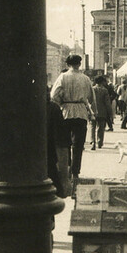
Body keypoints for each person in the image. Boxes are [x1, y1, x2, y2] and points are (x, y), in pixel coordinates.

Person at [50, 54, 95, 189]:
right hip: (81, 112)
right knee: (78, 144)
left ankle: (67, 170)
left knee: (65, 144)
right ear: (79, 64)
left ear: (67, 64)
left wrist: (62, 103)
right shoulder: (85, 78)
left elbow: (54, 95)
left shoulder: (62, 77)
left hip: (65, 112)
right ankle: (76, 172)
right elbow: (91, 98)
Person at [89, 75, 112, 150]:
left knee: (92, 126)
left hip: (92, 111)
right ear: (102, 82)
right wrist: (110, 112)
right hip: (102, 112)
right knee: (101, 127)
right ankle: (99, 142)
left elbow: (88, 100)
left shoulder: (92, 89)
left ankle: (93, 142)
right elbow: (107, 103)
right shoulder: (104, 90)